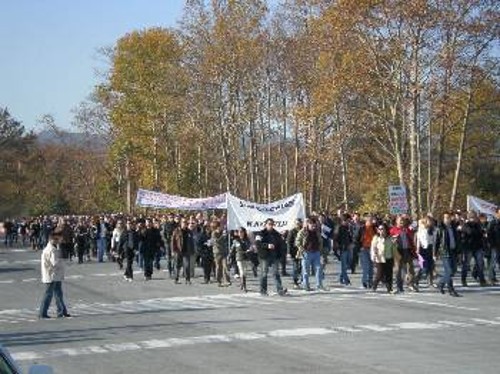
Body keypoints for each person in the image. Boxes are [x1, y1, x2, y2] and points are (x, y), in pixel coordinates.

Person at [39, 231, 71, 319]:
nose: (60, 241)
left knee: (58, 294)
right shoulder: (52, 250)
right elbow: (55, 263)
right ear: (54, 239)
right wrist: (63, 260)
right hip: (51, 275)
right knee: (49, 294)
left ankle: (62, 311)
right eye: (59, 239)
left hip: (54, 275)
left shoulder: (52, 248)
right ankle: (43, 313)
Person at [255, 218, 287, 296]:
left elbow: (281, 244)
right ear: (265, 224)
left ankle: (280, 290)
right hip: (264, 256)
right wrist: (267, 245)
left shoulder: (276, 234)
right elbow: (258, 244)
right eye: (269, 224)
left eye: (272, 224)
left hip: (274, 256)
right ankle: (263, 290)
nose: (271, 225)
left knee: (276, 273)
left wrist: (281, 255)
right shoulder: (260, 233)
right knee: (264, 274)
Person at [435, 213, 461, 297]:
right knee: (449, 271)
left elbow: (457, 239)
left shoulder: (453, 227)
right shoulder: (440, 228)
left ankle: (441, 283)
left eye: (449, 218)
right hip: (444, 252)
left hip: (453, 251)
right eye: (446, 218)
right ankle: (451, 289)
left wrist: (459, 252)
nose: (448, 219)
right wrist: (434, 253)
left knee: (453, 271)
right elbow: (437, 242)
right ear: (443, 219)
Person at [296, 218, 325, 291]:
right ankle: (306, 285)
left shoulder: (317, 232)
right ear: (308, 224)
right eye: (312, 225)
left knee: (319, 269)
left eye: (315, 226)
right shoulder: (302, 231)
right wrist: (301, 249)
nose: (314, 227)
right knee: (306, 270)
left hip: (316, 252)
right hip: (306, 253)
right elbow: (297, 241)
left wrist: (321, 251)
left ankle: (319, 285)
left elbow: (320, 241)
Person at [390, 216, 417, 293]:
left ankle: (411, 284)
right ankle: (399, 286)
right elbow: (389, 240)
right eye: (400, 220)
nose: (402, 222)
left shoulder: (407, 229)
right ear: (396, 222)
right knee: (398, 270)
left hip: (407, 251)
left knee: (410, 269)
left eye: (403, 220)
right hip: (398, 251)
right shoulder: (393, 230)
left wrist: (414, 251)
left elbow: (411, 239)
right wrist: (393, 240)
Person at [460, 211, 487, 287]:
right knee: (466, 264)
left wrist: (481, 232)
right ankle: (463, 279)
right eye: (472, 217)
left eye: (474, 217)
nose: (474, 219)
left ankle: (482, 280)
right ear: (469, 218)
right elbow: (470, 232)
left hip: (478, 247)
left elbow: (482, 233)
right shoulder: (466, 225)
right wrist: (480, 232)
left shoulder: (478, 225)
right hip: (468, 247)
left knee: (480, 264)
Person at [370, 223, 396, 293]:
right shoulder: (376, 237)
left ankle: (389, 289)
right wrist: (374, 257)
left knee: (389, 274)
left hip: (389, 257)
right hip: (379, 258)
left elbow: (393, 248)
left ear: (386, 230)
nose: (381, 230)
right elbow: (373, 248)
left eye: (382, 229)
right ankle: (374, 286)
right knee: (380, 274)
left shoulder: (390, 238)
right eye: (379, 229)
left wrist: (395, 256)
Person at [171, 218, 196, 285]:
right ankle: (176, 279)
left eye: (186, 222)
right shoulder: (176, 231)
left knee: (187, 266)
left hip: (186, 251)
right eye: (183, 222)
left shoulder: (189, 231)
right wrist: (173, 251)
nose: (185, 224)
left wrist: (192, 250)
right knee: (177, 266)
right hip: (178, 250)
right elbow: (173, 241)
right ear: (181, 223)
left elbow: (191, 242)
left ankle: (187, 280)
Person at [232, 227, 252, 292]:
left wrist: (250, 249)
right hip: (239, 257)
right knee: (242, 271)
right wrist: (229, 256)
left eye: (242, 232)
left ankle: (242, 284)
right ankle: (244, 287)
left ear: (244, 233)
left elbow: (250, 246)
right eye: (239, 232)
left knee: (245, 272)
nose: (240, 233)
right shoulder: (236, 241)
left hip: (246, 257)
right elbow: (232, 249)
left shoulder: (247, 240)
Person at [359, 217, 376, 289]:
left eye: (371, 221)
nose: (371, 222)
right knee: (365, 266)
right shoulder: (362, 228)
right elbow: (356, 238)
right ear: (366, 221)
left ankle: (370, 282)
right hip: (364, 249)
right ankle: (364, 281)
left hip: (372, 249)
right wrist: (359, 247)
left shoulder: (375, 228)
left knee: (371, 267)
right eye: (369, 221)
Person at [286, 219, 303, 289]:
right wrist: (288, 252)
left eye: (299, 223)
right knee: (295, 267)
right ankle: (295, 282)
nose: (298, 225)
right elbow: (289, 243)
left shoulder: (303, 230)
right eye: (296, 223)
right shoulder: (292, 231)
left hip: (302, 250)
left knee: (302, 267)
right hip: (294, 251)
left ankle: (301, 279)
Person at [487, 207, 500, 285]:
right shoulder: (492, 223)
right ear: (496, 214)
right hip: (495, 246)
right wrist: (491, 244)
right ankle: (490, 278)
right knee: (493, 263)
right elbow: (489, 234)